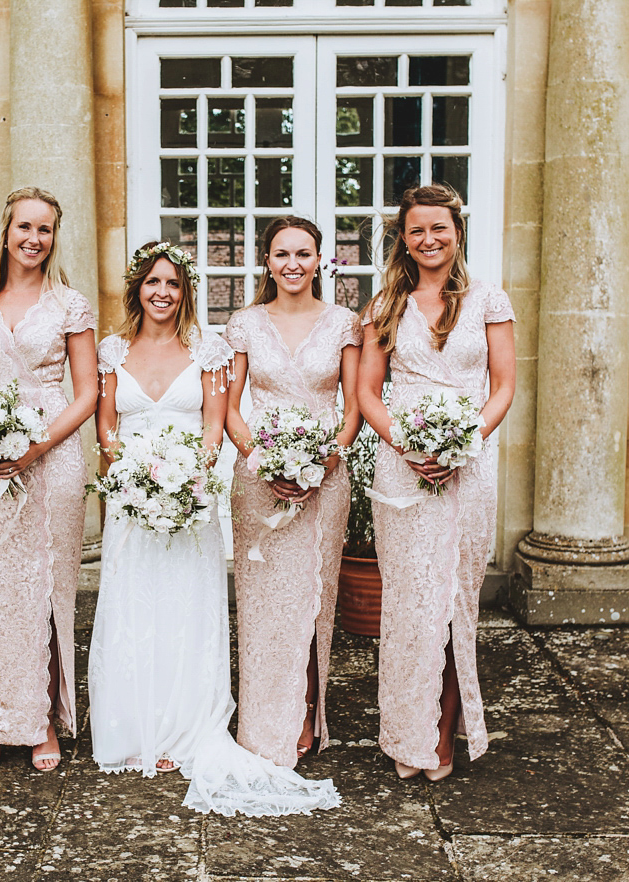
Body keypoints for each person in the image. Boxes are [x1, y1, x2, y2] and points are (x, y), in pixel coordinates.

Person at [90, 240, 341, 816]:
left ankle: (184, 727)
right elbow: (106, 429)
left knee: (186, 609)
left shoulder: (208, 350)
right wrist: (132, 479)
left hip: (190, 503)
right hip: (132, 504)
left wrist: (188, 481)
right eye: (152, 283)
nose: (162, 293)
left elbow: (212, 426)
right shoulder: (111, 351)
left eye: (173, 284)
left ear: (186, 293)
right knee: (133, 607)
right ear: (137, 290)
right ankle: (132, 725)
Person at [356, 184, 516, 782]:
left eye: (439, 228)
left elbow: (502, 387)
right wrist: (408, 445)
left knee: (454, 602)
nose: (429, 239)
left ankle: (445, 732)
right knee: (410, 602)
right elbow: (369, 393)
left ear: (457, 231)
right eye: (417, 230)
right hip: (404, 466)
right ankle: (408, 731)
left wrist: (462, 442)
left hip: (469, 467)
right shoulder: (385, 306)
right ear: (404, 238)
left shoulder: (489, 300)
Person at [0, 186, 98, 772]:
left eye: (46, 229)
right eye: (25, 227)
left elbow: (86, 395)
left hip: (51, 456)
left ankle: (41, 723)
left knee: (47, 589)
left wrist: (36, 446)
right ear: (5, 232)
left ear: (55, 237)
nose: (34, 239)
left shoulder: (69, 305)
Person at [224, 217, 363, 768]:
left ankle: (306, 712)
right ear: (267, 261)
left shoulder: (343, 323)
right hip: (259, 480)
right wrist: (261, 459)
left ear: (319, 261)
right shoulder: (245, 324)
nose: (292, 264)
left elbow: (353, 406)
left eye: (303, 254)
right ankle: (261, 718)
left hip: (325, 481)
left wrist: (325, 460)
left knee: (312, 600)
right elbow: (232, 406)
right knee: (262, 605)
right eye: (281, 254)